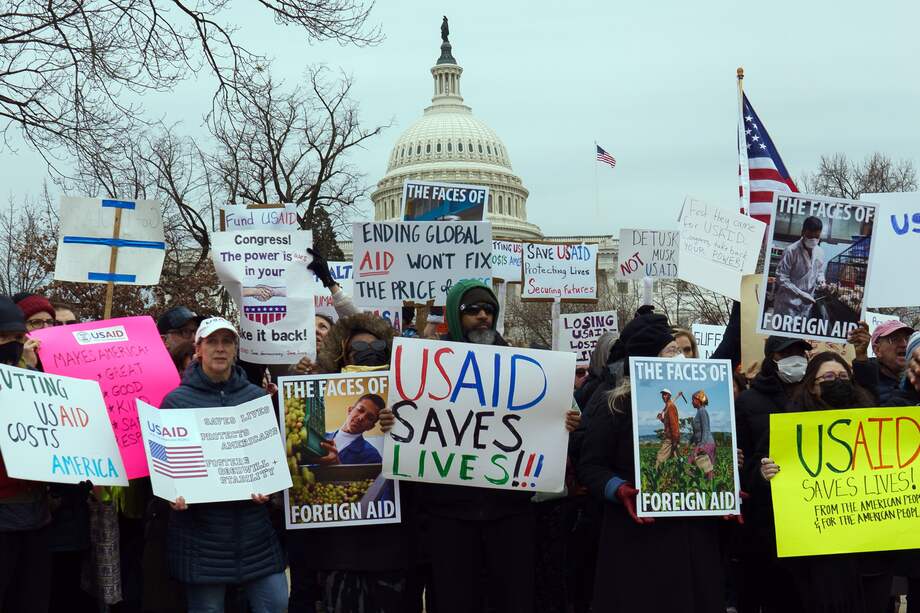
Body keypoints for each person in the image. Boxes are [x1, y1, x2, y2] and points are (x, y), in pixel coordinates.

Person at [395, 279, 579, 613]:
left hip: (510, 515)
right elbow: (414, 422)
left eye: (489, 310)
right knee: (455, 600)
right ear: (455, 314)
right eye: (473, 310)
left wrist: (565, 423)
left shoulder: (524, 368)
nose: (483, 316)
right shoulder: (426, 369)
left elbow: (547, 421)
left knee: (510, 599)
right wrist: (391, 423)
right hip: (448, 516)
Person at [578, 313, 727, 612]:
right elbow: (591, 466)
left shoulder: (705, 399)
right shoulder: (614, 403)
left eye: (681, 351)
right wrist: (619, 489)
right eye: (671, 351)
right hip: (638, 541)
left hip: (693, 539)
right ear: (648, 358)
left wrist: (727, 490)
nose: (680, 358)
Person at [287, 312, 414, 613]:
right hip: (332, 554)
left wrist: (401, 432)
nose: (361, 418)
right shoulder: (313, 433)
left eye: (378, 350)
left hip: (383, 555)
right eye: (360, 351)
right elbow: (296, 482)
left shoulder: (379, 446)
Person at [160, 317, 287, 613]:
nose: (220, 349)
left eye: (227, 342)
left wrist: (270, 488)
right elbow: (166, 466)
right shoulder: (176, 403)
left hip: (254, 531)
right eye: (212, 342)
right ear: (198, 349)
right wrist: (172, 494)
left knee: (277, 603)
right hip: (202, 536)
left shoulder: (256, 399)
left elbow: (271, 458)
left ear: (235, 350)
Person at [759, 352, 890, 613]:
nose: (837, 381)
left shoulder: (873, 421)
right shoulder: (790, 425)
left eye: (843, 376)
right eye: (828, 377)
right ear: (812, 385)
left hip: (868, 554)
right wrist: (765, 474)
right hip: (817, 558)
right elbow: (761, 472)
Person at [734, 335, 811, 613]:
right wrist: (759, 475)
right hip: (764, 522)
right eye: (786, 353)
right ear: (772, 358)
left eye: (800, 352)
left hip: (807, 516)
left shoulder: (814, 396)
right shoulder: (748, 402)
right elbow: (738, 465)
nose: (796, 358)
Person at [0, 296, 52, 613]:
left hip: (36, 514)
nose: (14, 345)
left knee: (32, 598)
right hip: (4, 514)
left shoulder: (32, 378)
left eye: (19, 338)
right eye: (5, 337)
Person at [772, 215, 827, 321]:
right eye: (810, 236)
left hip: (806, 307)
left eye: (817, 237)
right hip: (787, 305)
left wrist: (821, 281)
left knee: (800, 335)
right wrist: (800, 294)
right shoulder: (791, 251)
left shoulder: (820, 252)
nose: (813, 240)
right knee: (783, 336)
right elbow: (781, 277)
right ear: (803, 232)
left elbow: (819, 271)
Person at [319, 393, 384, 465]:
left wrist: (337, 468)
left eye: (369, 418)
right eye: (360, 410)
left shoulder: (372, 456)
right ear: (350, 410)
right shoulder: (320, 436)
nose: (361, 418)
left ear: (371, 427)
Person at [869, 319, 914, 403]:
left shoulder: (914, 379)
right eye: (895, 339)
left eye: (907, 339)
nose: (904, 344)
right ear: (877, 350)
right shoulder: (866, 383)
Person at [687, 390, 715, 481]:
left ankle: (706, 488)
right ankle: (700, 486)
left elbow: (705, 429)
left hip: (706, 443)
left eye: (693, 400)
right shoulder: (699, 412)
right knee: (703, 468)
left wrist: (702, 446)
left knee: (694, 464)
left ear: (698, 400)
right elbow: (696, 433)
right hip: (702, 443)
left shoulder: (702, 411)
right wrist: (689, 443)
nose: (691, 402)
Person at [655, 387, 682, 467]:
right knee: (678, 461)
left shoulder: (670, 407)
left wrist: (674, 440)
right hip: (673, 438)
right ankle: (684, 475)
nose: (663, 396)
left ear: (669, 396)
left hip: (671, 439)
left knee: (660, 457)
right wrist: (662, 419)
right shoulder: (668, 407)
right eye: (662, 395)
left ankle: (655, 476)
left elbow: (674, 424)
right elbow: (668, 423)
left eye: (665, 394)